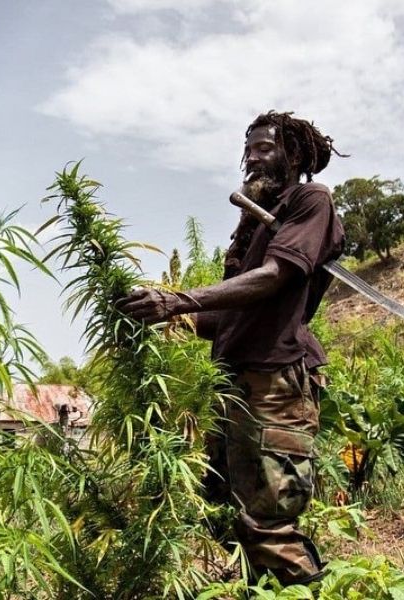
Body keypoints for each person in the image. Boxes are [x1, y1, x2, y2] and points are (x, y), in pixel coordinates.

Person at [116, 111, 345, 586]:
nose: (254, 157)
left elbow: (278, 276)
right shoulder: (255, 224)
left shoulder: (311, 200)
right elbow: (227, 315)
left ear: (295, 154)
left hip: (275, 382)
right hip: (235, 383)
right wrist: (171, 316)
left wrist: (178, 299)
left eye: (266, 147)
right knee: (228, 515)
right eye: (250, 148)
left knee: (269, 525)